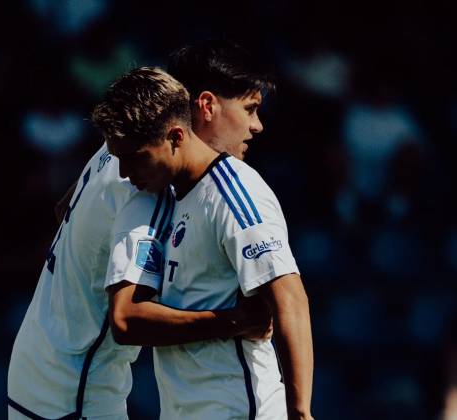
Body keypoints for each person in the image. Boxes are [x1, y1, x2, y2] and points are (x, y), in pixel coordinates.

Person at [7, 82, 270, 420]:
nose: (255, 125)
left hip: (34, 363)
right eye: (249, 110)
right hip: (75, 389)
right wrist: (234, 321)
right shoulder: (145, 188)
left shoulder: (112, 149)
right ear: (204, 109)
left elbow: (63, 208)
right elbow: (126, 319)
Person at [97, 65, 314, 419]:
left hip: (239, 409)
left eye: (134, 157)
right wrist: (228, 321)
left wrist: (300, 413)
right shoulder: (166, 199)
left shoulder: (234, 193)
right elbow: (127, 319)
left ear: (176, 137)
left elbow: (290, 299)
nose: (124, 172)